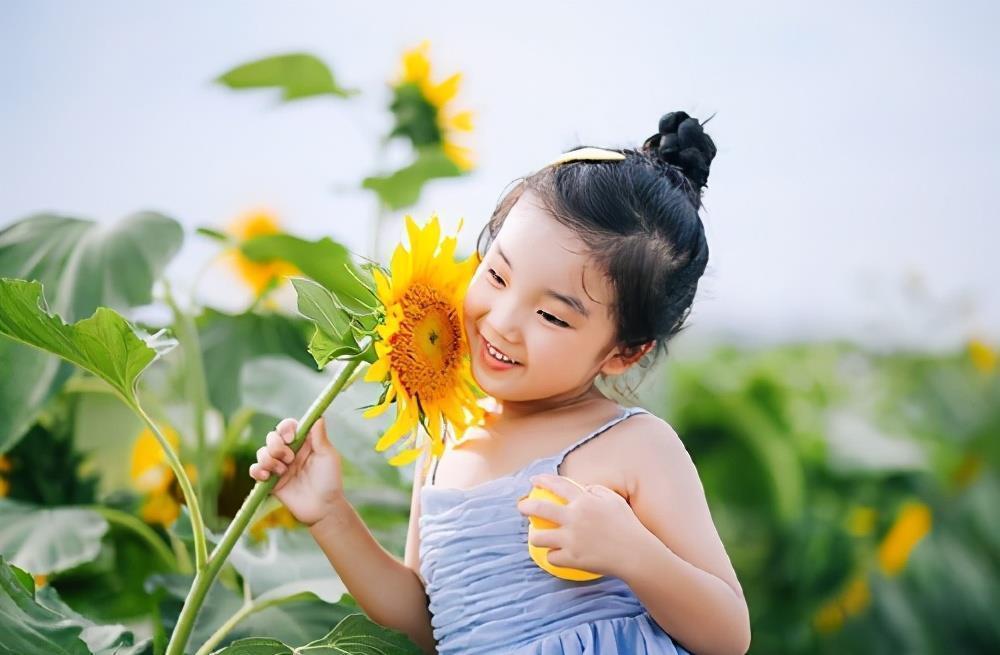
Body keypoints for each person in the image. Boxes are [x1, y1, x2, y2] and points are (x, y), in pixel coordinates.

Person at [249, 111, 751, 655]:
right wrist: (329, 513)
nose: (503, 321)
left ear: (624, 352)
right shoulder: (446, 437)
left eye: (553, 317)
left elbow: (728, 635)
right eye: (496, 275)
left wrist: (632, 553)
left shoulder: (635, 445)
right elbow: (424, 620)